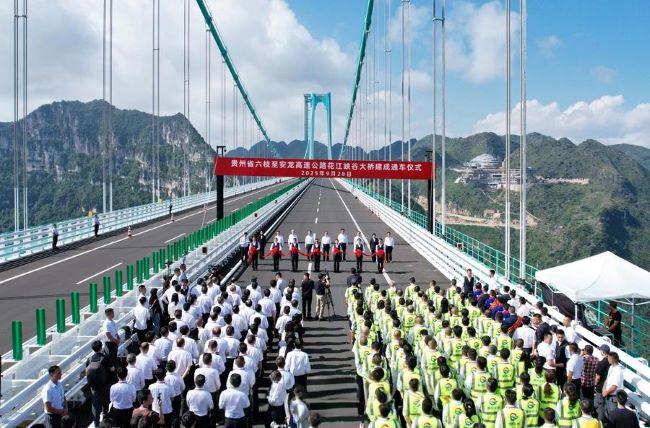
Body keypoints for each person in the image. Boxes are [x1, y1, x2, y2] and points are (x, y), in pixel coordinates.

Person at [86, 340, 114, 427]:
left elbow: (87, 371)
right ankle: (105, 420)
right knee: (105, 403)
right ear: (101, 347)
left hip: (94, 387)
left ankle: (96, 423)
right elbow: (112, 369)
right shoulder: (105, 358)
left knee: (95, 405)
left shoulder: (89, 359)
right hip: (105, 385)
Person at [601, 352, 624, 417]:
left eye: (609, 358)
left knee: (614, 415)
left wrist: (605, 392)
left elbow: (614, 386)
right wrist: (603, 389)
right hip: (608, 395)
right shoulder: (611, 367)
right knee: (608, 414)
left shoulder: (618, 370)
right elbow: (607, 379)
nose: (608, 359)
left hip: (614, 397)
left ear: (613, 359)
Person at [594, 345, 611, 423]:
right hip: (609, 387)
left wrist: (595, 384)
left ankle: (600, 422)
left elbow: (598, 377)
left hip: (601, 387)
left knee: (599, 404)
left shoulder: (602, 363)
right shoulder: (611, 361)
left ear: (603, 352)